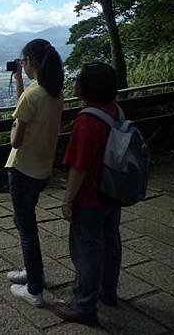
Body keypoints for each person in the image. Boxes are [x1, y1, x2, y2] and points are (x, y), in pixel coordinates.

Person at [54, 62, 122, 327]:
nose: (75, 81)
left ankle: (84, 306)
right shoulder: (114, 110)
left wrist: (68, 200)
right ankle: (109, 291)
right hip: (112, 191)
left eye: (79, 78)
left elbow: (79, 166)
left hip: (91, 197)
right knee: (111, 241)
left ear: (88, 86)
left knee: (87, 250)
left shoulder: (86, 120)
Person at [5, 38, 65, 307]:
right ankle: (32, 271)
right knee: (26, 223)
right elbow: (27, 104)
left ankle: (35, 289)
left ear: (31, 61)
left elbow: (15, 140)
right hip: (42, 169)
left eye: (24, 62)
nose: (23, 66)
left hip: (22, 168)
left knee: (26, 228)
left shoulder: (34, 95)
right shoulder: (53, 93)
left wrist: (13, 130)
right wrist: (19, 79)